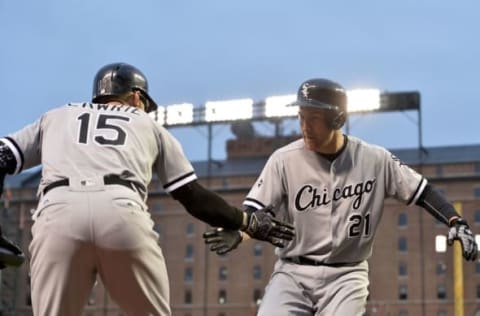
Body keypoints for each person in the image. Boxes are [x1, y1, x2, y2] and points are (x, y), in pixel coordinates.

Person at [0, 62, 294, 316]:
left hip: (57, 212)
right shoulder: (147, 125)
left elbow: (2, 157)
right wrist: (246, 221)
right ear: (136, 97)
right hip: (121, 211)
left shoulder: (57, 116)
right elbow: (193, 197)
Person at [203, 78, 478, 315]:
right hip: (292, 273)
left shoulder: (375, 159)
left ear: (338, 119)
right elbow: (256, 211)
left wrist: (456, 221)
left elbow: (422, 190)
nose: (305, 126)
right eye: (301, 117)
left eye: (314, 118)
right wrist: (239, 231)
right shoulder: (283, 159)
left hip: (346, 275)